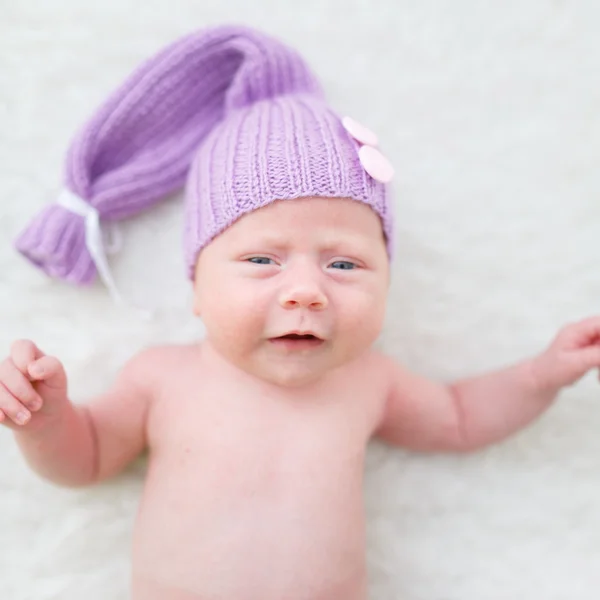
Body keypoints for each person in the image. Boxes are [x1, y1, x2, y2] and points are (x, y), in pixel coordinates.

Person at [2, 24, 599, 600]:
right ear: (197, 287)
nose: (306, 291)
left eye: (344, 265)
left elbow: (463, 418)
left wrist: (541, 374)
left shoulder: (369, 381)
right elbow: (88, 461)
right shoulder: (162, 378)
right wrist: (49, 422)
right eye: (263, 260)